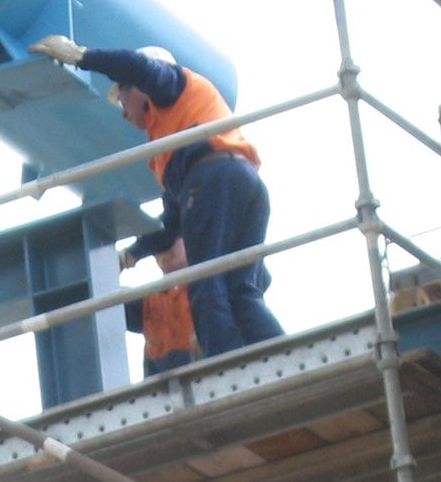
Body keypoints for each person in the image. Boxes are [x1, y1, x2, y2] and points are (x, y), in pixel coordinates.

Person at [29, 37, 283, 359]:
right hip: (244, 184)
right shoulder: (169, 138)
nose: (123, 112)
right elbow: (171, 225)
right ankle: (284, 355)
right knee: (242, 290)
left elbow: (139, 67)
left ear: (138, 89)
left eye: (123, 99)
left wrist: (83, 57)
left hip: (213, 179)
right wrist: (129, 256)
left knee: (205, 282)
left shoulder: (169, 87)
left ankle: (227, 363)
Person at [124, 240, 200, 376]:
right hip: (163, 388)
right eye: (158, 245)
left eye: (171, 240)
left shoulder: (211, 286)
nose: (164, 250)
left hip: (209, 378)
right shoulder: (146, 300)